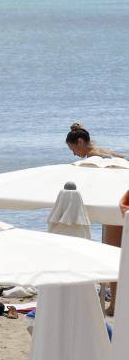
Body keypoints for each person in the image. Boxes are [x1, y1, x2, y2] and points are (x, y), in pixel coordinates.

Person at [65, 123, 126, 316]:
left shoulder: (92, 161)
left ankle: (116, 305)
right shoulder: (107, 154)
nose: (74, 154)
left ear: (80, 142)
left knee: (113, 260)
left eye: (73, 149)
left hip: (112, 210)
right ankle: (118, 304)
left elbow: (93, 187)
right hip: (121, 206)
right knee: (121, 259)